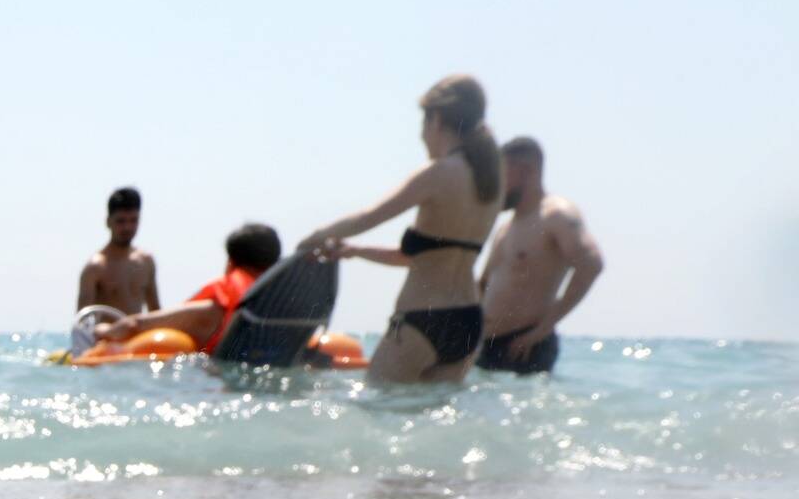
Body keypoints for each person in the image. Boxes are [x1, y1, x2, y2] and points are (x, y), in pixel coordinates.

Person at [298, 76, 504, 382]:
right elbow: (428, 256)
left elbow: (368, 217)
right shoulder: (491, 182)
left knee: (375, 414)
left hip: (421, 320)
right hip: (468, 320)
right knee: (433, 425)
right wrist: (355, 251)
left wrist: (313, 238)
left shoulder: (438, 173)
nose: (422, 137)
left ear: (435, 119)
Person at [476, 137, 604, 375]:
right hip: (484, 348)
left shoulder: (555, 214)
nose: (496, 184)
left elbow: (591, 264)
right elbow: (482, 286)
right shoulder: (505, 228)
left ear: (526, 170)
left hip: (525, 347)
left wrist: (541, 330)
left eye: (501, 174)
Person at [96, 223, 281, 354]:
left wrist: (103, 330)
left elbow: (134, 325)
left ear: (231, 263)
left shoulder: (213, 311)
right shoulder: (284, 306)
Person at [77, 188, 160, 317]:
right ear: (108, 222)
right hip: (108, 336)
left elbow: (156, 312)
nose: (127, 227)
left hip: (138, 336)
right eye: (121, 221)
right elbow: (83, 322)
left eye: (133, 220)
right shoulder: (95, 268)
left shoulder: (146, 262)